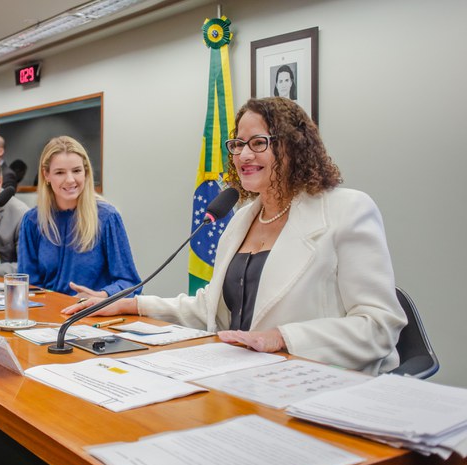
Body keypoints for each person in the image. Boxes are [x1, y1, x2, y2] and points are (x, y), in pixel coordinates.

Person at [63, 97, 406, 375]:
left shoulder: (347, 210)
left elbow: (379, 325)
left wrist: (282, 338)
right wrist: (132, 303)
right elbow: (215, 311)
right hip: (241, 376)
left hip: (318, 381)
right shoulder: (242, 218)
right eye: (238, 144)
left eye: (258, 143)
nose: (243, 155)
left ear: (293, 147)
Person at [18, 136, 141, 298]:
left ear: (86, 172)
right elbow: (27, 284)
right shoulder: (32, 221)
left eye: (76, 171)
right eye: (60, 172)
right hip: (46, 316)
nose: (70, 180)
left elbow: (130, 283)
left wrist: (101, 295)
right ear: (46, 175)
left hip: (92, 315)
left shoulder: (107, 217)